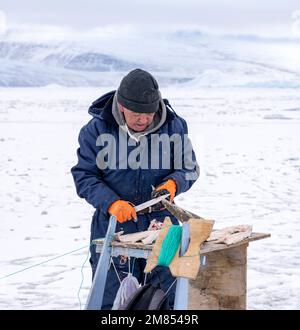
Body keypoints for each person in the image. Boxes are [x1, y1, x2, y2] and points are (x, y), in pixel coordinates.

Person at [71, 68, 199, 309]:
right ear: (121, 106)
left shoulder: (174, 127)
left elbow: (190, 168)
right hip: (115, 225)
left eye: (149, 113)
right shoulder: (96, 130)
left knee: (167, 298)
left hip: (162, 225)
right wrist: (111, 203)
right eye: (137, 114)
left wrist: (174, 183)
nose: (144, 119)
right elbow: (84, 175)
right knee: (111, 300)